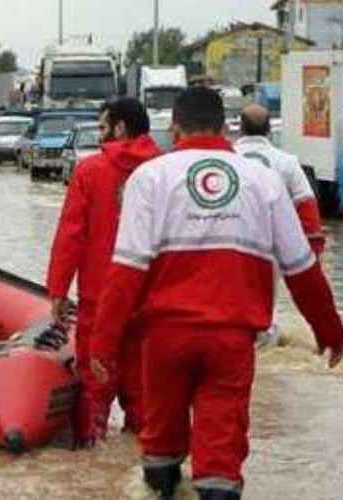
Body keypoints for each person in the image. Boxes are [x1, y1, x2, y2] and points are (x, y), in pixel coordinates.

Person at [89, 87, 343, 500]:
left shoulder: (150, 177)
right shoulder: (264, 179)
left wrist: (103, 343)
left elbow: (126, 271)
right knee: (221, 453)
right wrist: (330, 332)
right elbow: (303, 269)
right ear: (225, 126)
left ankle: (161, 488)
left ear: (174, 127)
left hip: (163, 340)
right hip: (232, 340)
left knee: (160, 440)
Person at [46, 98, 161, 447]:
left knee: (94, 396)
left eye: (102, 126)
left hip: (100, 299)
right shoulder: (166, 171)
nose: (100, 135)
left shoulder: (90, 171)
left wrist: (57, 291)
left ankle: (91, 464)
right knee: (146, 401)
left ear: (120, 127)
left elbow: (71, 236)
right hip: (153, 301)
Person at [234, 104, 326, 347]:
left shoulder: (226, 157)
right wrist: (311, 248)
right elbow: (306, 205)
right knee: (266, 303)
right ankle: (265, 340)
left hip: (226, 240)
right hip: (270, 244)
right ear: (269, 131)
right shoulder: (287, 162)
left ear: (240, 128)